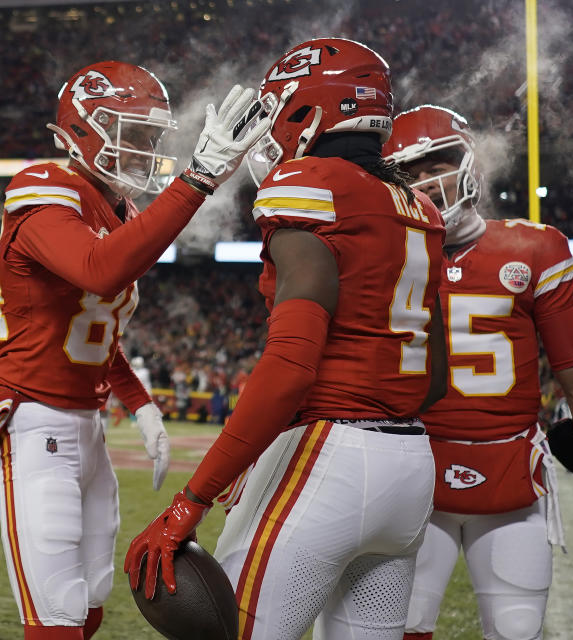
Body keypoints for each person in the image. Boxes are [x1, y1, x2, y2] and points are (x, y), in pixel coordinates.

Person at [125, 38, 449, 640]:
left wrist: (191, 500)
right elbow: (434, 378)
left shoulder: (311, 183)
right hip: (410, 468)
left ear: (308, 111)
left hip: (330, 458)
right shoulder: (418, 206)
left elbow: (292, 364)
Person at [0, 60, 268, 640]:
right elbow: (100, 272)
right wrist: (198, 178)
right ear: (85, 126)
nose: (145, 149)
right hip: (32, 417)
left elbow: (98, 333)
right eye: (136, 134)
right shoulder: (42, 187)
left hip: (88, 424)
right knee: (56, 613)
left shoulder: (119, 208)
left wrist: (142, 404)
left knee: (93, 594)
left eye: (152, 137)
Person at [381, 105, 573, 640]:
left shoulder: (534, 246)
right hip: (412, 477)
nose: (429, 181)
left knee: (518, 630)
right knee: (398, 628)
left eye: (439, 161)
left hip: (511, 477)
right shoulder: (384, 255)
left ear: (469, 161)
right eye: (413, 172)